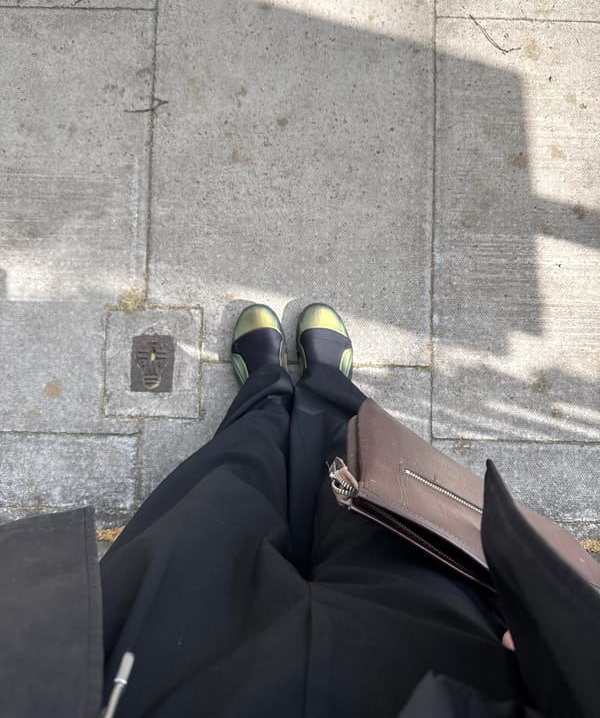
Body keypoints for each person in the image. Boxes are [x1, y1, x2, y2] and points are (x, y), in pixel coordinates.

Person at [1, 304, 598, 718]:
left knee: (228, 489)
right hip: (452, 677)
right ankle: (325, 392)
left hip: (162, 685)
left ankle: (264, 392)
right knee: (375, 499)